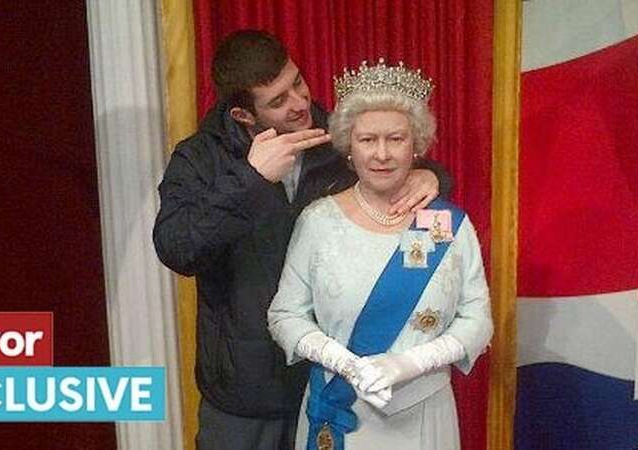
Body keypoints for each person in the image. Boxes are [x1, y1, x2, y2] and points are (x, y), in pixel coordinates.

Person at [154, 30, 451, 450]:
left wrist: (430, 175)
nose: (298, 102)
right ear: (243, 115)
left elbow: (405, 170)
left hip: (327, 380)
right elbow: (176, 247)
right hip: (243, 395)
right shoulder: (200, 158)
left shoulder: (336, 137)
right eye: (277, 100)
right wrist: (251, 180)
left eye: (297, 82)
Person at [267, 59, 493, 450]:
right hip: (342, 411)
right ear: (348, 146)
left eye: (396, 138)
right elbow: (284, 315)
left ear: (417, 144)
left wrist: (408, 364)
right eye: (368, 140)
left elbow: (478, 321)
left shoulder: (444, 224)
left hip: (426, 413)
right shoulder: (318, 221)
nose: (382, 154)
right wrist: (345, 364)